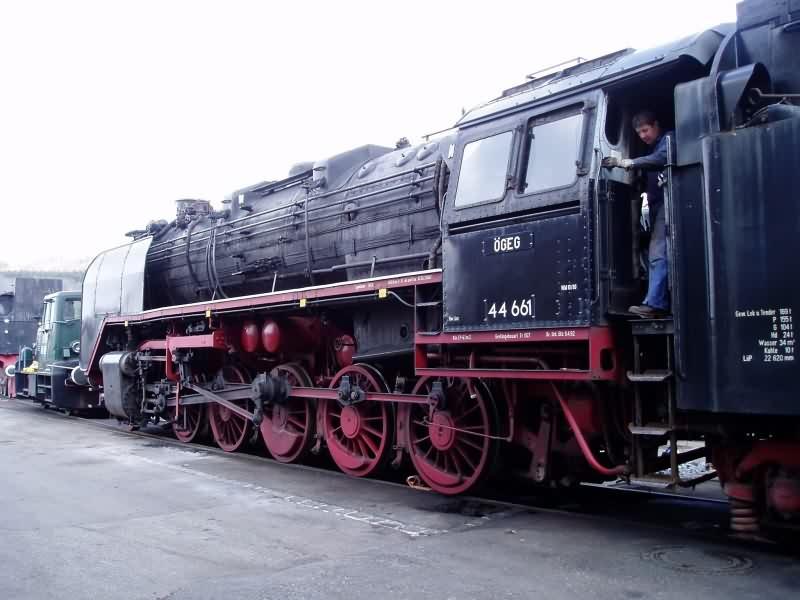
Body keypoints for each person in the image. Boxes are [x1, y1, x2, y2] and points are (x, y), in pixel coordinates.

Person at [602, 110, 673, 318]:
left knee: (658, 253)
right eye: (639, 132)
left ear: (656, 125)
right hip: (656, 207)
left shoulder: (668, 140)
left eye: (645, 130)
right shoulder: (652, 147)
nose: (643, 136)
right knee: (651, 253)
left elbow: (661, 158)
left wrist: (628, 163)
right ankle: (657, 300)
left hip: (668, 204)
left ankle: (655, 304)